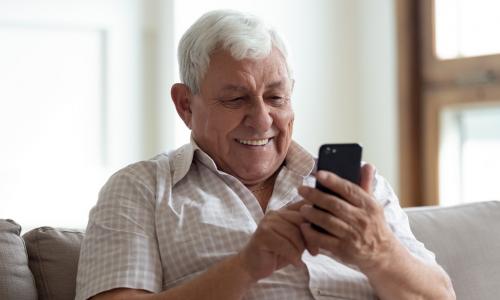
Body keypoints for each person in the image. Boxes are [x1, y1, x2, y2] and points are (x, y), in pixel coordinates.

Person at [75, 9, 455, 300]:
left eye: (276, 97)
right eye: (236, 99)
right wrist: (245, 267)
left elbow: (441, 294)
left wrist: (380, 251)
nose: (261, 120)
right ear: (185, 105)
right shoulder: (141, 190)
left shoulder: (358, 188)